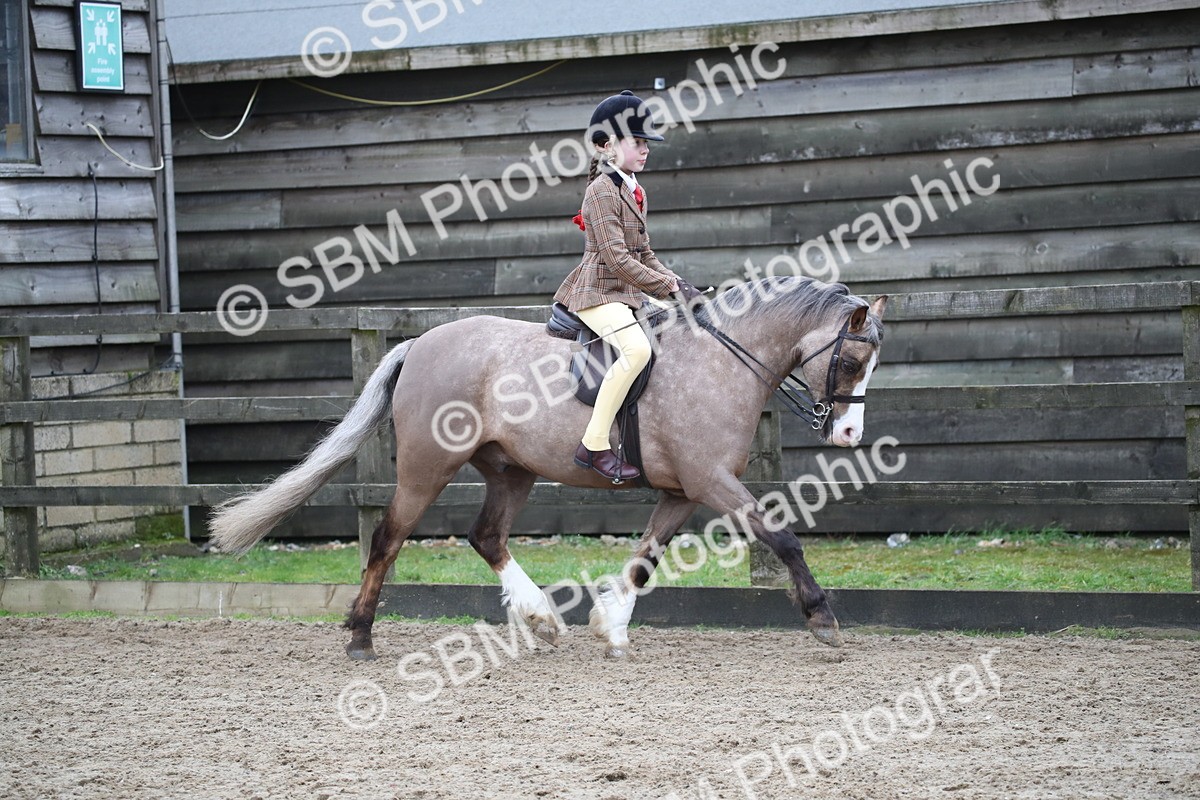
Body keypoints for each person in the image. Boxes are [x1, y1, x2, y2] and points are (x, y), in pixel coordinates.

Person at [554, 90, 702, 482]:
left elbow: (645, 253)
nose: (645, 149)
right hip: (596, 293)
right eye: (636, 142)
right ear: (607, 145)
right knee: (636, 350)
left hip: (624, 293)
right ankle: (594, 444)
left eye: (645, 142)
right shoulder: (600, 191)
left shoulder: (635, 189)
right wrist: (667, 289)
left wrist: (678, 285)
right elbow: (618, 259)